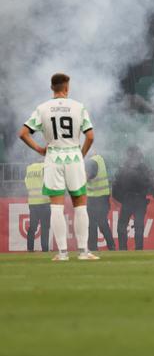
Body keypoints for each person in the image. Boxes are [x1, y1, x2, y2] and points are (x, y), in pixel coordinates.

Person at [17, 73, 99, 261]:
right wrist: (81, 154)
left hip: (53, 157)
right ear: (67, 88)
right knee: (80, 204)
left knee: (56, 206)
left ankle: (62, 253)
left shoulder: (42, 108)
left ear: (52, 88)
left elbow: (23, 133)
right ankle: (83, 252)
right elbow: (91, 136)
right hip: (73, 156)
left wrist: (39, 149)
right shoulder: (78, 107)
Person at [111, 146, 154, 251]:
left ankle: (123, 249)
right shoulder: (144, 169)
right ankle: (139, 249)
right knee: (138, 225)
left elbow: (115, 187)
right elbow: (153, 185)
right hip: (140, 201)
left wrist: (121, 200)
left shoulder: (123, 168)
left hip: (127, 200)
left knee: (122, 226)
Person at [85, 153, 115, 251]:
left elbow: (89, 175)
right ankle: (111, 247)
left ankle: (93, 248)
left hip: (96, 198)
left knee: (94, 225)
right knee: (102, 224)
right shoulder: (100, 159)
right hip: (101, 197)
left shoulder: (91, 162)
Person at [24, 162, 51, 252]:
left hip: (32, 202)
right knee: (45, 227)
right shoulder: (45, 166)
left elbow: (26, 183)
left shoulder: (29, 168)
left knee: (32, 227)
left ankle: (30, 249)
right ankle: (45, 249)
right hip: (44, 201)